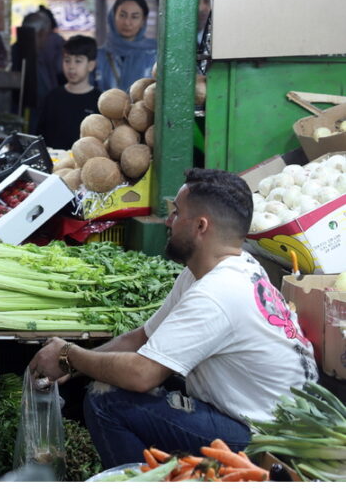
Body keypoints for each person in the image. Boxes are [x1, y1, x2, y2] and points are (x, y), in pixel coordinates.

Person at [28, 168, 318, 468]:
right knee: (117, 384)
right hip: (255, 414)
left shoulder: (218, 292)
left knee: (106, 401)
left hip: (266, 439)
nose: (168, 221)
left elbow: (142, 375)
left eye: (176, 213)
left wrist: (70, 355)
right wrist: (69, 367)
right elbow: (142, 337)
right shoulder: (221, 268)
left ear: (200, 226)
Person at [35, 35, 99, 150]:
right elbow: (39, 136)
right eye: (67, 60)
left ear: (91, 65)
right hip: (54, 163)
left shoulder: (99, 100)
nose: (71, 67)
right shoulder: (52, 97)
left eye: (78, 61)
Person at [11, 7, 65, 133]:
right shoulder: (20, 53)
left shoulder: (42, 52)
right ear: (41, 33)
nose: (47, 38)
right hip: (25, 117)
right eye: (47, 34)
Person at [94, 0, 156, 93]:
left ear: (143, 21)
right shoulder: (98, 55)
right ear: (113, 16)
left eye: (134, 17)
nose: (127, 22)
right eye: (122, 15)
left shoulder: (155, 55)